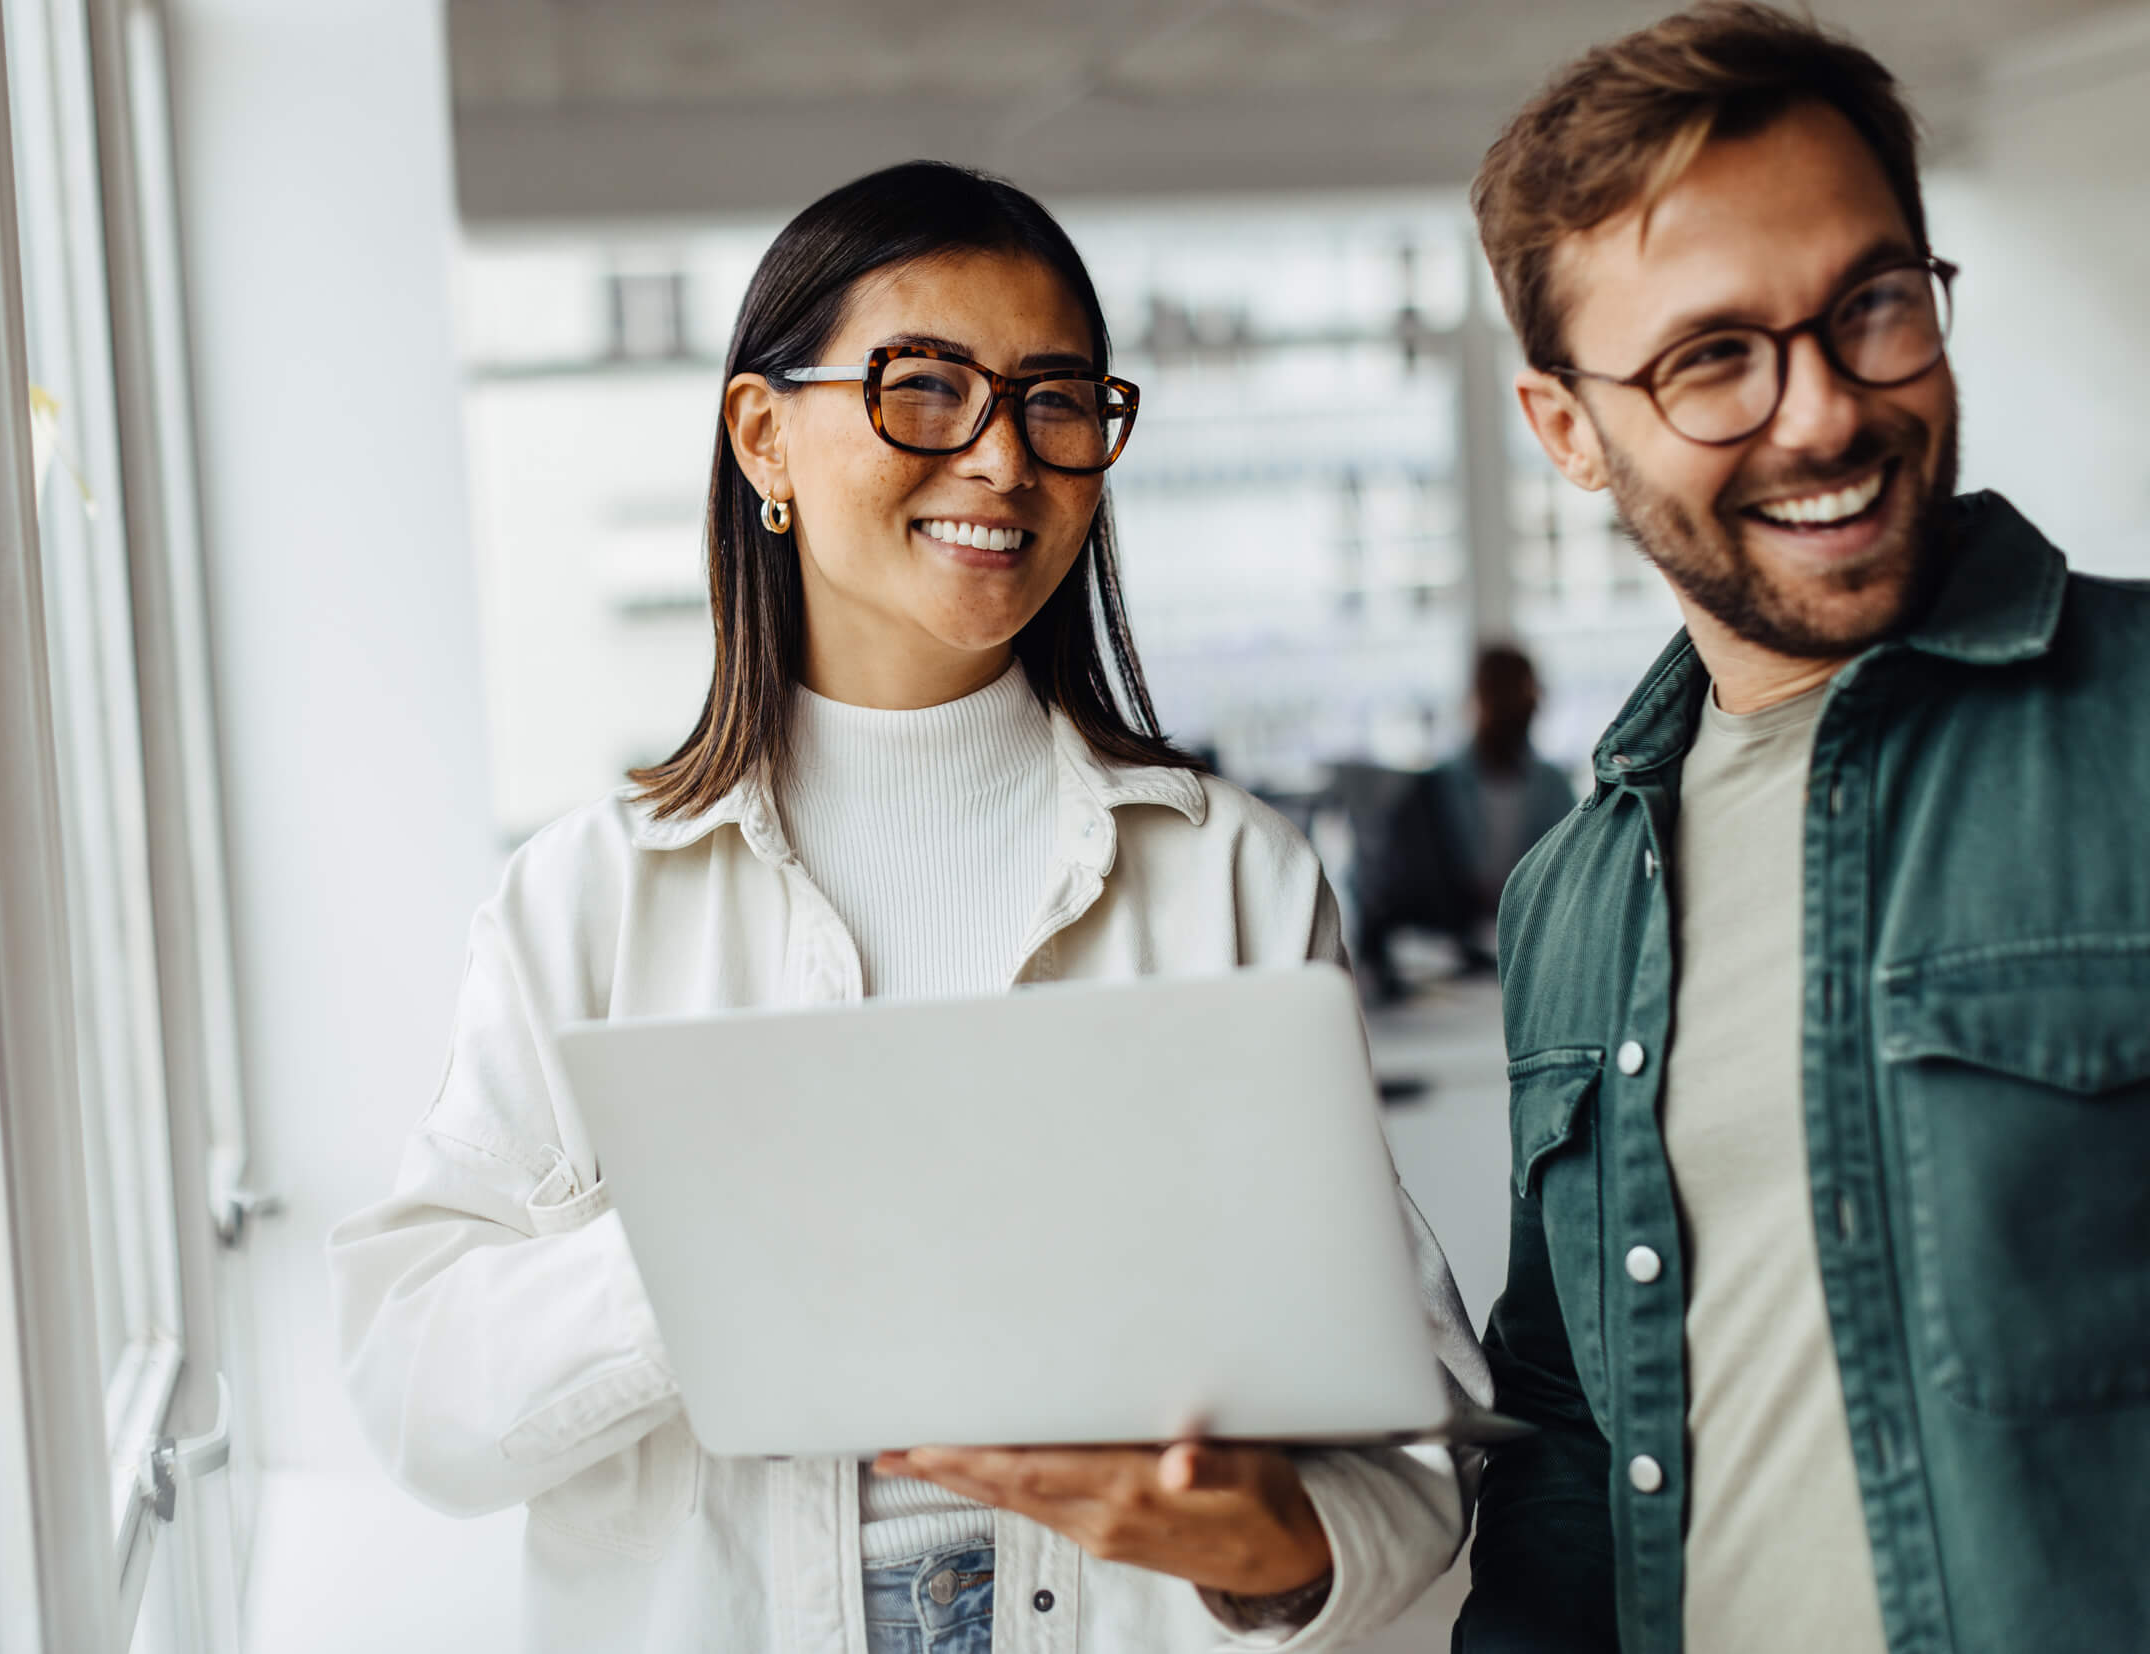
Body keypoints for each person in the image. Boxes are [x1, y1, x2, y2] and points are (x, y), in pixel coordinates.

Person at [329, 161, 1488, 1653]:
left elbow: (1424, 1443)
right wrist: (734, 1231)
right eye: (925, 388)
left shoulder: (1229, 877)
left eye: (1057, 400)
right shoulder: (586, 901)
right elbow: (421, 1394)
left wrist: (1272, 1552)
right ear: (767, 437)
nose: (1003, 458)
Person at [1457, 6, 2150, 1652]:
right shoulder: (1575, 890)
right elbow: (1564, 1433)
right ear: (1567, 428)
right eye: (1713, 358)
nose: (1826, 410)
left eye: (1873, 308)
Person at [1354, 645, 1575, 999]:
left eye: (1522, 693)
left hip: (1526, 953)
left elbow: (1570, 874)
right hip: (1446, 960)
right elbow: (1391, 891)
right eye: (1502, 693)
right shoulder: (1431, 790)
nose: (1516, 707)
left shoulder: (1552, 786)